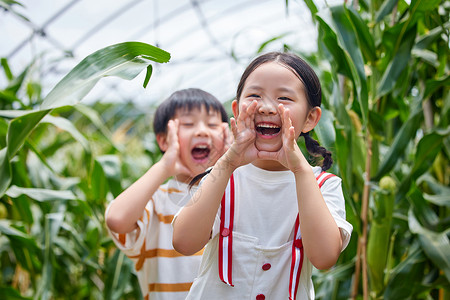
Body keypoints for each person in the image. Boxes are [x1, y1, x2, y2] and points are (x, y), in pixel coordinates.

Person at [172, 52, 353, 299]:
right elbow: (184, 242)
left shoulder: (324, 186)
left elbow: (324, 258)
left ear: (311, 118)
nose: (267, 107)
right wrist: (227, 163)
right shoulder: (223, 178)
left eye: (284, 98)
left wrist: (300, 170)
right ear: (237, 108)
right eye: (255, 95)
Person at [105, 88, 230, 300]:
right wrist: (165, 165)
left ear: (226, 134)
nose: (202, 132)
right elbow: (116, 220)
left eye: (212, 125)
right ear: (164, 141)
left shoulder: (234, 197)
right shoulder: (157, 202)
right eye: (188, 124)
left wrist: (231, 161)